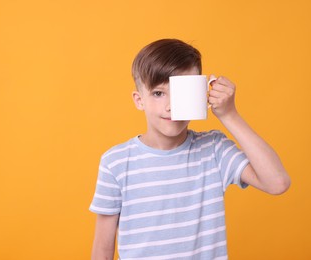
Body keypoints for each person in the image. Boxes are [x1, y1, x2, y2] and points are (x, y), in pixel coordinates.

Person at [89, 39, 290, 260]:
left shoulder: (214, 149)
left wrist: (229, 114)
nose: (171, 106)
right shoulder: (115, 162)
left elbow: (277, 182)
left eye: (180, 92)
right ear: (139, 100)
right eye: (158, 93)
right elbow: (102, 249)